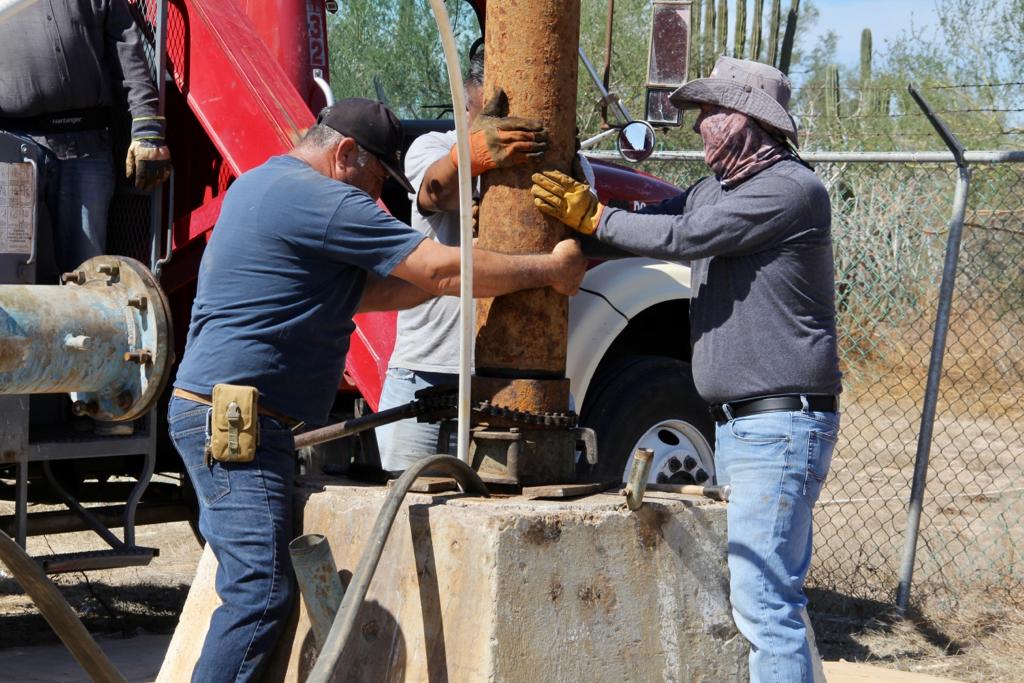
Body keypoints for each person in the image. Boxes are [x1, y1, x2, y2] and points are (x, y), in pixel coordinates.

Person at [167, 98, 585, 682]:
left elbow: (381, 292)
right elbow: (439, 272)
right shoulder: (324, 199)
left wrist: (450, 268)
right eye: (373, 181)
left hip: (226, 415)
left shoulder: (261, 185)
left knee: (256, 587)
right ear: (344, 154)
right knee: (257, 594)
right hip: (238, 422)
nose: (376, 199)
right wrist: (546, 269)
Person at [531, 56, 841, 683]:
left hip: (776, 429)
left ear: (749, 122)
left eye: (713, 112)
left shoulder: (787, 190)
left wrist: (591, 217)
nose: (700, 124)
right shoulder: (718, 189)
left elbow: (684, 239)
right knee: (770, 597)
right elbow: (655, 222)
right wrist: (575, 229)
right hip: (746, 428)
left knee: (765, 604)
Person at [376, 50, 551, 471]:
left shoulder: (556, 160)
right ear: (467, 99)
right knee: (404, 512)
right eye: (482, 108)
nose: (489, 117)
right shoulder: (432, 148)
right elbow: (436, 192)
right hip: (426, 371)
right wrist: (469, 154)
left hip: (518, 382)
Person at [0, 0, 171, 274]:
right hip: (11, 148)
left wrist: (147, 130)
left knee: (88, 274)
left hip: (86, 148)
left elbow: (128, 53)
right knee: (9, 271)